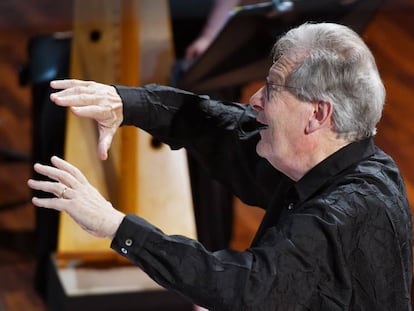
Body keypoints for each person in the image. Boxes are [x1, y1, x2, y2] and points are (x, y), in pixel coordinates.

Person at [27, 22, 412, 310]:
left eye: (273, 89)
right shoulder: (329, 159)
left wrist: (113, 225)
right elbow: (220, 126)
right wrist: (127, 103)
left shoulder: (348, 212)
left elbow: (246, 287)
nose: (256, 99)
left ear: (317, 115)